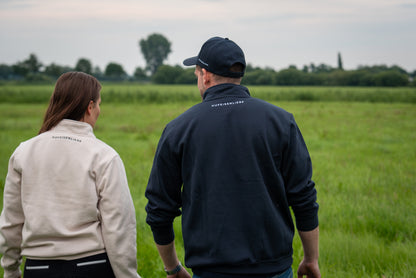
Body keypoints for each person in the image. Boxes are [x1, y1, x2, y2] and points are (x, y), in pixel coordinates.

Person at [145, 37, 320, 278]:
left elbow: (159, 209)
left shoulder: (178, 129)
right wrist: (311, 259)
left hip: (210, 271)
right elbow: (304, 197)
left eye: (196, 74)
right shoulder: (281, 121)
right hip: (274, 269)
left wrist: (173, 268)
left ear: (205, 75)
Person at [0, 72, 141, 278]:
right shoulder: (104, 155)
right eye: (99, 104)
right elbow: (119, 226)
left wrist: (10, 270)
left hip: (38, 269)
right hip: (93, 267)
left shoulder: (24, 152)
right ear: (90, 107)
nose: (99, 111)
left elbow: (11, 221)